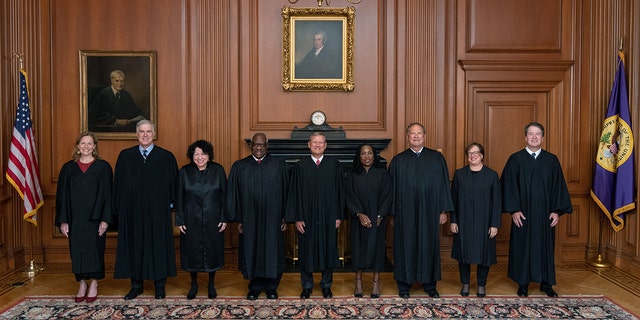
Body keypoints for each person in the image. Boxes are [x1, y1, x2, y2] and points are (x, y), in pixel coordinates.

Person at [501, 122, 573, 298]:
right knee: (522, 247)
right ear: (525, 137)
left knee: (545, 247)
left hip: (544, 214)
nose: (534, 137)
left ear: (542, 137)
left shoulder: (551, 160)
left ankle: (546, 283)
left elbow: (558, 187)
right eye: (531, 134)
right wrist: (514, 210)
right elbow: (508, 186)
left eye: (538, 134)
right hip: (523, 214)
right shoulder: (515, 159)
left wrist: (556, 211)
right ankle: (523, 283)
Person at [113, 120, 179, 300]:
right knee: (134, 246)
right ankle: (136, 285)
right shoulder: (125, 156)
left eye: (148, 131)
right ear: (136, 134)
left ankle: (159, 285)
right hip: (132, 213)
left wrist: (171, 207)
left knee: (158, 246)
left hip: (158, 213)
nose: (145, 135)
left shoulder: (166, 157)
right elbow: (117, 186)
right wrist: (119, 211)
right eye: (141, 131)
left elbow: (174, 186)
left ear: (154, 134)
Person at [389, 122, 454, 298]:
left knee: (429, 245)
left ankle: (430, 284)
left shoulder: (436, 158)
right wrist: (393, 213)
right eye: (412, 133)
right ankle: (404, 285)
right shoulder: (398, 160)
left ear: (424, 136)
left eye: (419, 133)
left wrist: (443, 211)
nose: (416, 136)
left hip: (430, 211)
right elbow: (392, 189)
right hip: (405, 213)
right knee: (405, 245)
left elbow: (443, 185)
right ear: (407, 137)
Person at [227, 133, 289, 300]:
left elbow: (287, 193)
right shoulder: (240, 166)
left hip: (273, 219)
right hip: (249, 219)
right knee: (251, 249)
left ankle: (271, 287)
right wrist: (238, 219)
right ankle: (254, 287)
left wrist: (284, 217)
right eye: (255, 145)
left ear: (267, 146)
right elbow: (234, 194)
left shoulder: (279, 165)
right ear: (251, 145)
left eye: (262, 145)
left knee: (272, 251)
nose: (258, 148)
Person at [55, 131, 113, 303]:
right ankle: (81, 283)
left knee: (96, 251)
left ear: (94, 147)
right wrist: (64, 220)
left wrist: (105, 220)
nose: (86, 146)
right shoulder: (68, 168)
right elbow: (62, 196)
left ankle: (94, 283)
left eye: (90, 143)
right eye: (83, 143)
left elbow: (108, 196)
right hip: (75, 219)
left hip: (95, 219)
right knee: (76, 251)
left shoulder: (103, 167)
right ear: (78, 146)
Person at [285, 132, 345, 299]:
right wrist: (297, 218)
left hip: (329, 216)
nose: (317, 145)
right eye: (314, 142)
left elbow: (341, 193)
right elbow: (294, 194)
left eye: (321, 143)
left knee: (328, 249)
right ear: (309, 145)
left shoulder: (334, 166)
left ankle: (326, 285)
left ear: (325, 145)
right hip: (306, 217)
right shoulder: (300, 167)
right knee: (306, 251)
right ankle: (307, 285)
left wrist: (338, 216)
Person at [176, 140, 228, 300]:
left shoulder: (218, 170)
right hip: (191, 219)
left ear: (208, 155)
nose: (199, 157)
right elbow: (179, 197)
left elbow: (225, 197)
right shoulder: (184, 172)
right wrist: (180, 220)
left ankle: (211, 284)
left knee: (212, 251)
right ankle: (194, 284)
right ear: (192, 156)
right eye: (196, 154)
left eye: (203, 154)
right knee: (192, 252)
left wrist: (224, 218)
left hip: (213, 219)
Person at [450, 142, 502, 298]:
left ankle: (481, 285)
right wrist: (453, 220)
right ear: (467, 157)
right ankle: (465, 283)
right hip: (463, 221)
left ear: (482, 155)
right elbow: (453, 201)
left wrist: (494, 224)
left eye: (476, 153)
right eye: (470, 153)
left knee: (484, 256)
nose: (473, 155)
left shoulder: (492, 175)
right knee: (463, 254)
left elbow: (497, 202)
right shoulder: (459, 174)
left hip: (485, 222)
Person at [345, 143, 391, 299]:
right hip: (358, 220)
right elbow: (348, 196)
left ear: (374, 155)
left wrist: (379, 216)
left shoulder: (382, 174)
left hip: (377, 219)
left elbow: (387, 196)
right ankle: (358, 281)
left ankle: (376, 282)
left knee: (377, 250)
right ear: (359, 156)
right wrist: (359, 214)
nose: (366, 156)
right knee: (358, 250)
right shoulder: (352, 175)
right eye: (363, 153)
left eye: (369, 153)